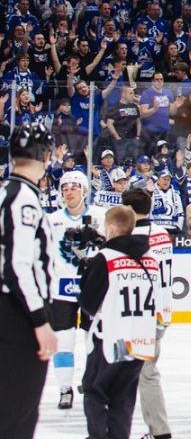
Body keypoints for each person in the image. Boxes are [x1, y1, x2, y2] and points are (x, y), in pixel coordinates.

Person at [79, 204, 158, 439]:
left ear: (112, 228)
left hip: (110, 338)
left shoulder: (106, 258)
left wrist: (87, 274)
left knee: (95, 390)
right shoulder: (151, 258)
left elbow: (89, 303)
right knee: (123, 397)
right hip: (140, 338)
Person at [1, 124, 60, 438]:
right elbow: (17, 265)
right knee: (18, 413)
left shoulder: (8, 193)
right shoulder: (22, 199)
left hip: (11, 310)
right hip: (17, 315)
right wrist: (40, 320)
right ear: (46, 156)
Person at [46, 169, 106, 410]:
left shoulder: (101, 216)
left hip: (92, 290)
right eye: (65, 188)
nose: (69, 192)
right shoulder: (51, 220)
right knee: (64, 342)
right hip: (61, 291)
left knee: (93, 341)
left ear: (84, 190)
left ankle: (92, 384)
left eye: (74, 187)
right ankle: (65, 389)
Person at [121, 189, 173, 439]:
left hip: (141, 314)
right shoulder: (161, 233)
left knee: (145, 374)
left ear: (128, 211)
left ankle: (160, 432)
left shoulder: (132, 238)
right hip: (162, 310)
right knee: (143, 372)